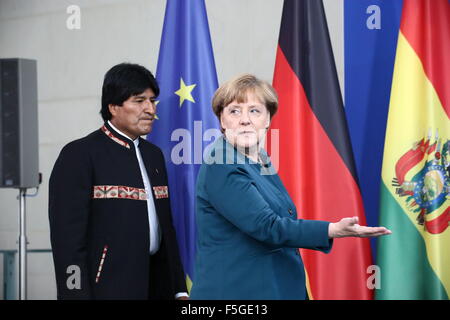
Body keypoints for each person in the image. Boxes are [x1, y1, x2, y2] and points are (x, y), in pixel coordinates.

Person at [189, 74, 391, 300]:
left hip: (274, 287)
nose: (244, 119)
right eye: (234, 111)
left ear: (268, 119)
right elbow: (267, 226)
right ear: (222, 121)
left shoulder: (258, 158)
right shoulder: (223, 164)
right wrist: (332, 230)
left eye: (254, 110)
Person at [49, 63, 188, 300]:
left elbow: (166, 229)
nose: (149, 109)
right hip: (106, 290)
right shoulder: (79, 155)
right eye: (139, 100)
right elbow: (67, 244)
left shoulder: (154, 155)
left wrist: (179, 289)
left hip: (157, 287)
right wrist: (74, 295)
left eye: (152, 101)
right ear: (113, 107)